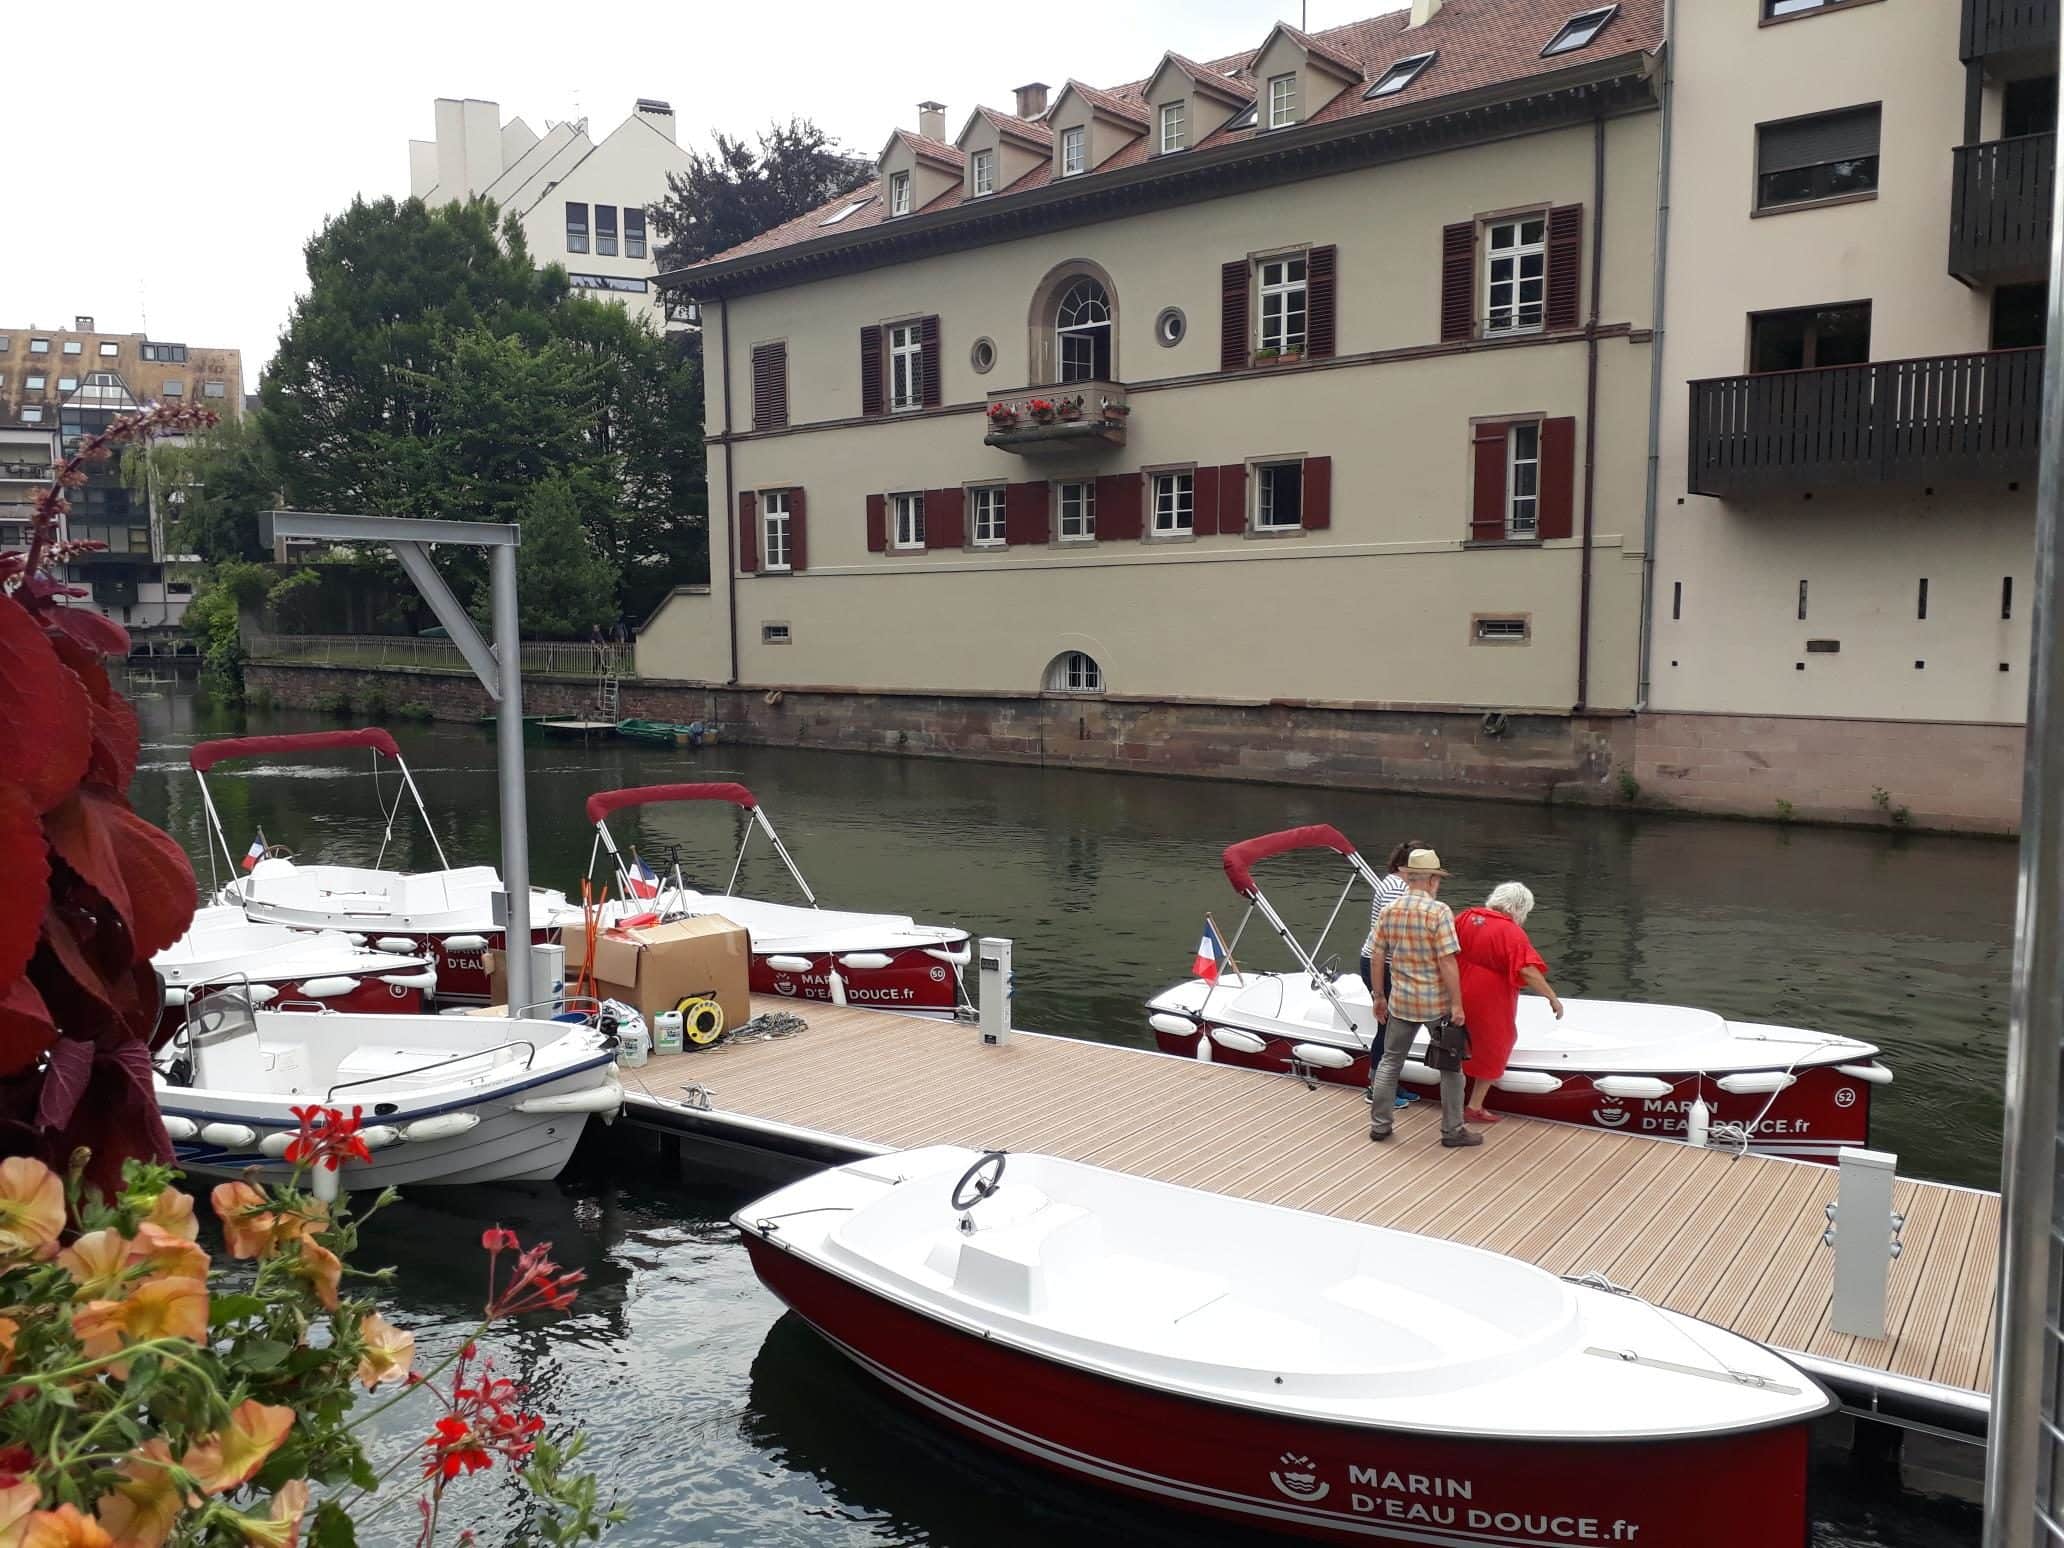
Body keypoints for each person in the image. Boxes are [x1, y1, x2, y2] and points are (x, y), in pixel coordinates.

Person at [1366, 848, 1477, 1148]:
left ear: (1407, 877)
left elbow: (1378, 954)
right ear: (1431, 881)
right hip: (1435, 1003)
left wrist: (1379, 995)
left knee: (1390, 1062)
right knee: (1451, 1069)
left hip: (1400, 1000)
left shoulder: (1391, 910)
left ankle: (1380, 1125)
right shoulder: (1438, 912)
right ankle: (1452, 1131)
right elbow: (1447, 961)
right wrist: (1457, 1004)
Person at [1453, 882, 1565, 1124]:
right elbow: (1527, 970)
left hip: (1457, 987)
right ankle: (1474, 1106)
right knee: (1497, 1043)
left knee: (1458, 1040)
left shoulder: (1466, 917)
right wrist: (1551, 997)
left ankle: (1452, 1097)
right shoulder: (1511, 932)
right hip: (1489, 996)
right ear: (1520, 908)